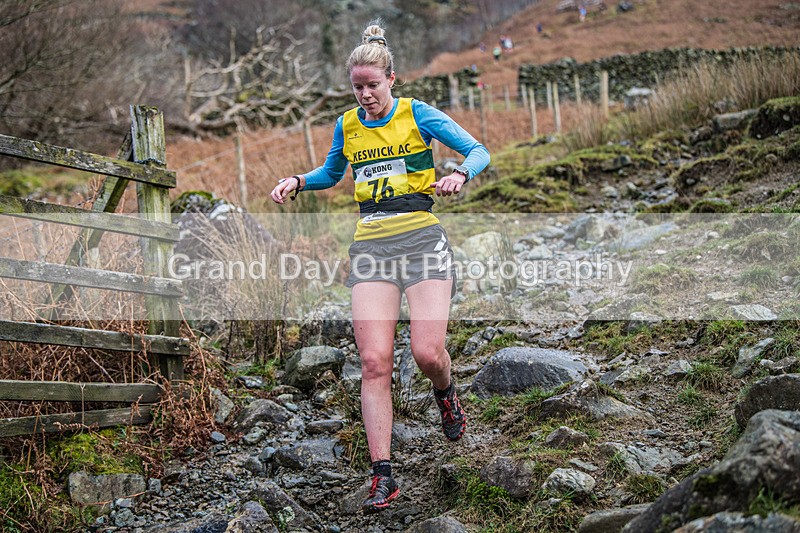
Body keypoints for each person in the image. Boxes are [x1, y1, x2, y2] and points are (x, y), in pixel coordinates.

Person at [270, 20, 490, 514]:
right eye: (357, 87)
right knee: (374, 362)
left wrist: (458, 173)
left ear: (393, 79)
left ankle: (447, 393)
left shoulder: (419, 114)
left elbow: (479, 150)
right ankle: (382, 477)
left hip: (421, 238)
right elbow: (332, 173)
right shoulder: (347, 125)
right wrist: (298, 180)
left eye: (373, 85)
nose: (365, 95)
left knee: (428, 352)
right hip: (371, 245)